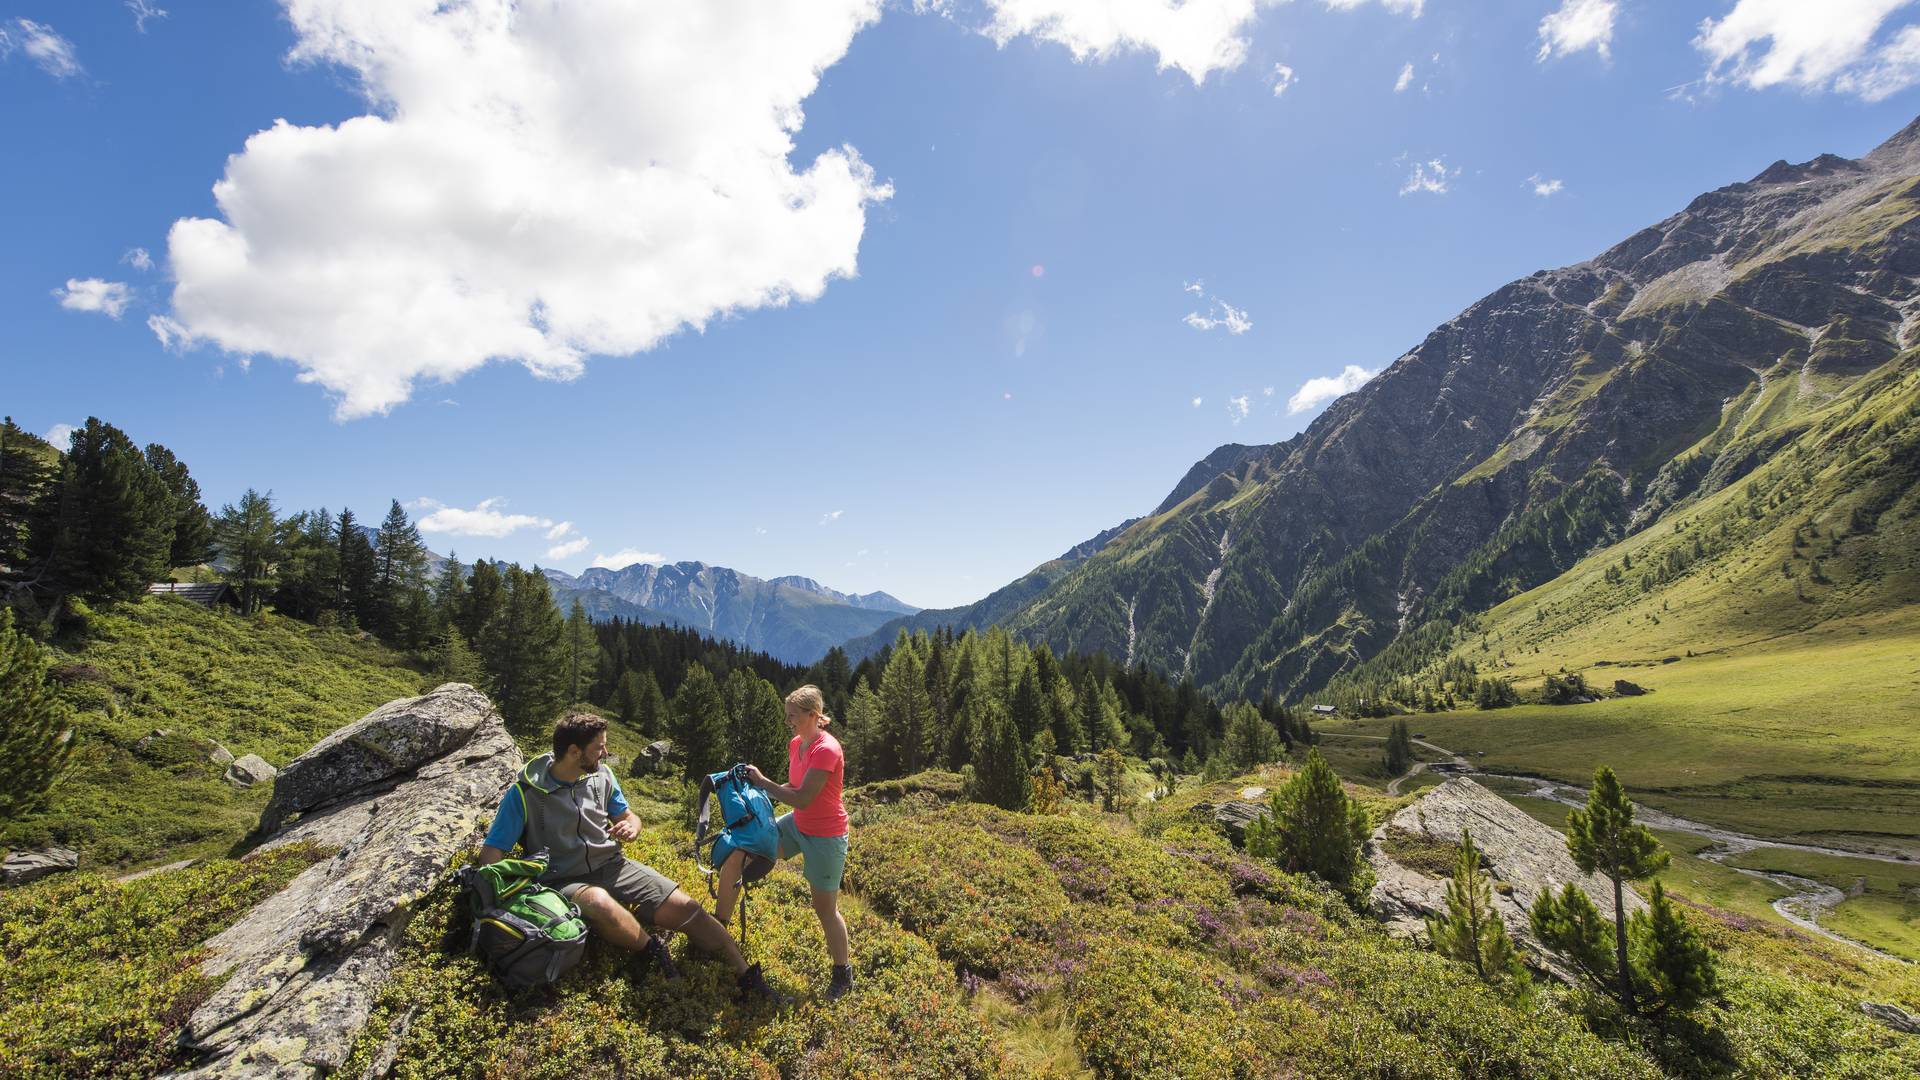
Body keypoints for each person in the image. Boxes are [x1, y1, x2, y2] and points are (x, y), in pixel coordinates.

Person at [477, 711, 786, 1004]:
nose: (606, 752)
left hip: (614, 865)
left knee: (688, 908)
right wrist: (504, 894)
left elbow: (629, 815)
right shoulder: (525, 794)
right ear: (574, 751)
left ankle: (746, 976)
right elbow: (493, 851)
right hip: (562, 880)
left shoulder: (602, 776)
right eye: (599, 747)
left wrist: (632, 827)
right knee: (598, 902)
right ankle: (653, 951)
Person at [722, 684, 854, 1000]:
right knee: (747, 851)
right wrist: (756, 794)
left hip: (826, 836)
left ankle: (842, 973)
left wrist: (762, 782)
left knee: (825, 909)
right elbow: (792, 787)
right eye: (787, 716)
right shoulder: (797, 744)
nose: (788, 722)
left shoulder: (827, 749)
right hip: (798, 824)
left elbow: (804, 798)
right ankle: (719, 928)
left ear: (813, 715)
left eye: (793, 716)